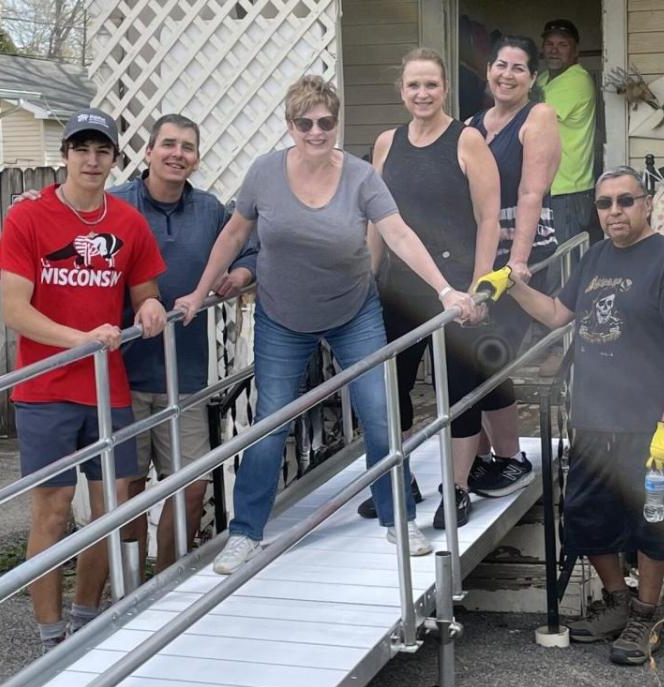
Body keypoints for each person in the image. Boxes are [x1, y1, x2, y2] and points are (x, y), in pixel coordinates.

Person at [175, 76, 479, 575]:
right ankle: (246, 533)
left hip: (353, 310)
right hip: (282, 314)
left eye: (326, 122)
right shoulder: (264, 173)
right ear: (290, 125)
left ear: (336, 122)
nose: (316, 131)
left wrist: (446, 289)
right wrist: (198, 291)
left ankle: (396, 517)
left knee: (380, 416)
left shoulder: (360, 176)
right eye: (305, 123)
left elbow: (397, 233)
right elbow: (235, 232)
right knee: (271, 424)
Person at [480, 166, 664, 665]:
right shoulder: (596, 258)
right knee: (586, 517)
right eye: (605, 204)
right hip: (593, 419)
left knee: (654, 522)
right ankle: (618, 602)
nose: (614, 212)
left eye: (625, 201)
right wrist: (513, 286)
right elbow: (559, 314)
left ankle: (646, 616)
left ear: (647, 205)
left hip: (650, 426)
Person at [0, 108, 167, 652]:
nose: (92, 160)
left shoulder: (127, 222)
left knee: (112, 507)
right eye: (81, 149)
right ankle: (50, 638)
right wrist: (80, 340)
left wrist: (154, 306)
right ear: (65, 154)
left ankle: (88, 620)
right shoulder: (29, 218)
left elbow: (144, 293)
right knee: (53, 510)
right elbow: (14, 311)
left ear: (115, 159)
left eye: (102, 151)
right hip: (45, 390)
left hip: (107, 389)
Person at [357, 47, 501, 530]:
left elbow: (488, 220)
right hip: (399, 287)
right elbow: (379, 222)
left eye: (431, 85)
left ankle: (457, 489)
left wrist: (481, 287)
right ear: (402, 91)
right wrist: (368, 279)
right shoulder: (385, 143)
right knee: (388, 390)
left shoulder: (468, 141)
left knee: (457, 389)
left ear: (444, 89)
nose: (422, 94)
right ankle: (400, 480)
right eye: (413, 85)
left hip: (457, 287)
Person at [111, 114, 256, 571]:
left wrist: (241, 273)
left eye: (187, 147)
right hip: (123, 373)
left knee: (190, 486)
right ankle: (130, 589)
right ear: (149, 152)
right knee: (127, 487)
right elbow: (65, 221)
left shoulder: (210, 210)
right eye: (168, 144)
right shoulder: (116, 205)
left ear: (195, 159)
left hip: (185, 376)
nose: (177, 153)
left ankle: (166, 584)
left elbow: (247, 246)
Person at [465, 34, 561, 499]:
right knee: (464, 357)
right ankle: (479, 454)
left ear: (533, 77)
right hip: (478, 256)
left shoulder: (537, 117)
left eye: (518, 68)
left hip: (522, 256)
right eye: (500, 65)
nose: (507, 74)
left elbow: (530, 193)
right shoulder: (470, 124)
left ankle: (511, 457)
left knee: (490, 354)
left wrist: (518, 261)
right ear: (488, 70)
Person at [535, 18, 597, 377]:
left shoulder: (577, 81)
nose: (554, 49)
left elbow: (530, 115)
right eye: (550, 43)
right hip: (544, 191)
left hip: (569, 190)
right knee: (543, 270)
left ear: (575, 50)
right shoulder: (544, 80)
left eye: (562, 44)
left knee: (563, 273)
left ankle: (563, 351)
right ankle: (550, 345)